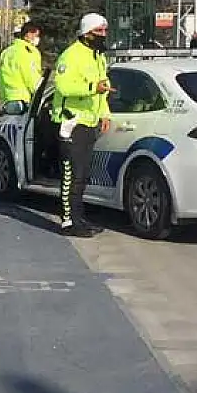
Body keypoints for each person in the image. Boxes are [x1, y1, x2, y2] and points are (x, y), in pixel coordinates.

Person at [52, 13, 112, 238]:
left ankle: (79, 217)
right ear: (86, 33)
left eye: (105, 31)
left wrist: (104, 114)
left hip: (89, 121)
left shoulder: (97, 56)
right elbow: (64, 87)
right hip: (71, 121)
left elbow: (103, 88)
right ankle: (69, 221)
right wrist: (91, 88)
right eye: (99, 32)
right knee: (72, 174)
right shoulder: (71, 55)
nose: (103, 36)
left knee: (83, 174)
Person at [0, 23, 44, 115]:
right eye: (37, 35)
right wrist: (40, 95)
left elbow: (0, 77)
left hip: (7, 100)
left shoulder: (7, 52)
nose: (38, 38)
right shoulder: (28, 52)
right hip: (22, 101)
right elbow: (31, 78)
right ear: (28, 34)